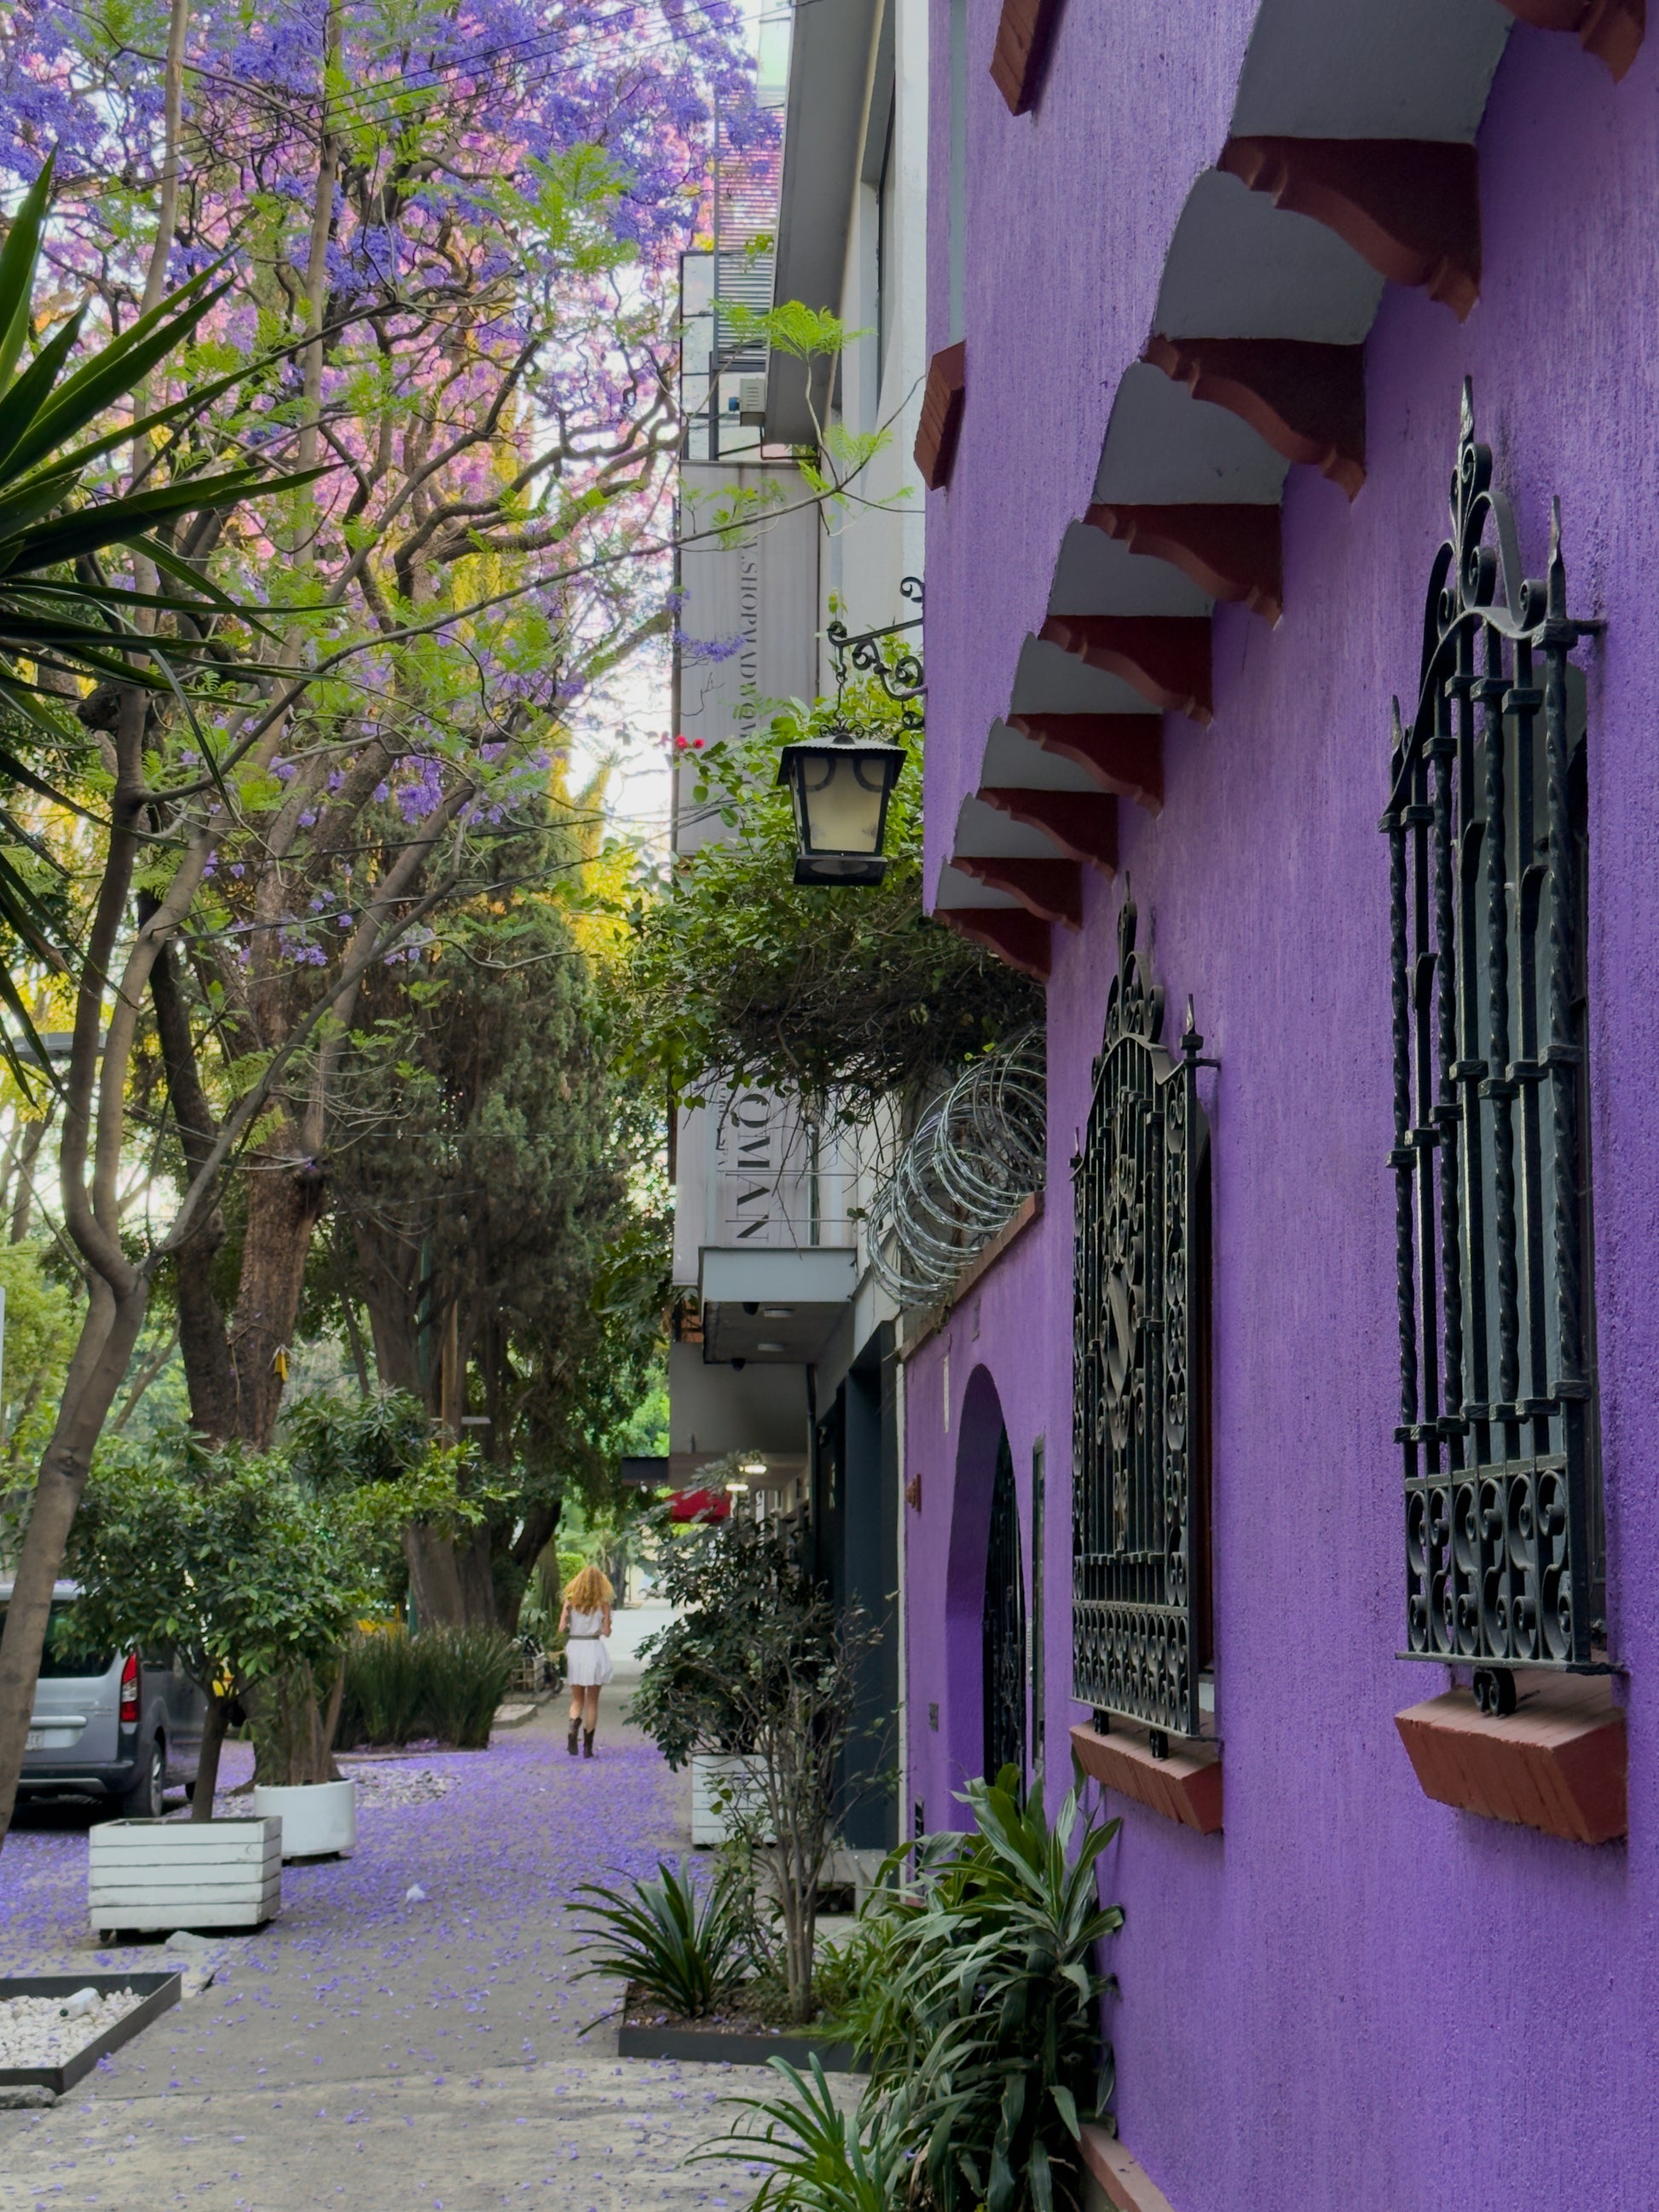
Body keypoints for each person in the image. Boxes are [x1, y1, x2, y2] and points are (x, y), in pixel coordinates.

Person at [558, 1564, 615, 1757]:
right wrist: (605, 1620)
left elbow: (561, 1628)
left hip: (575, 1648)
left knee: (576, 1699)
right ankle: (588, 1749)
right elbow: (606, 1633)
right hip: (593, 1648)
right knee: (592, 1702)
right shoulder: (603, 1604)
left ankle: (571, 1734)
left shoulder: (570, 1602)